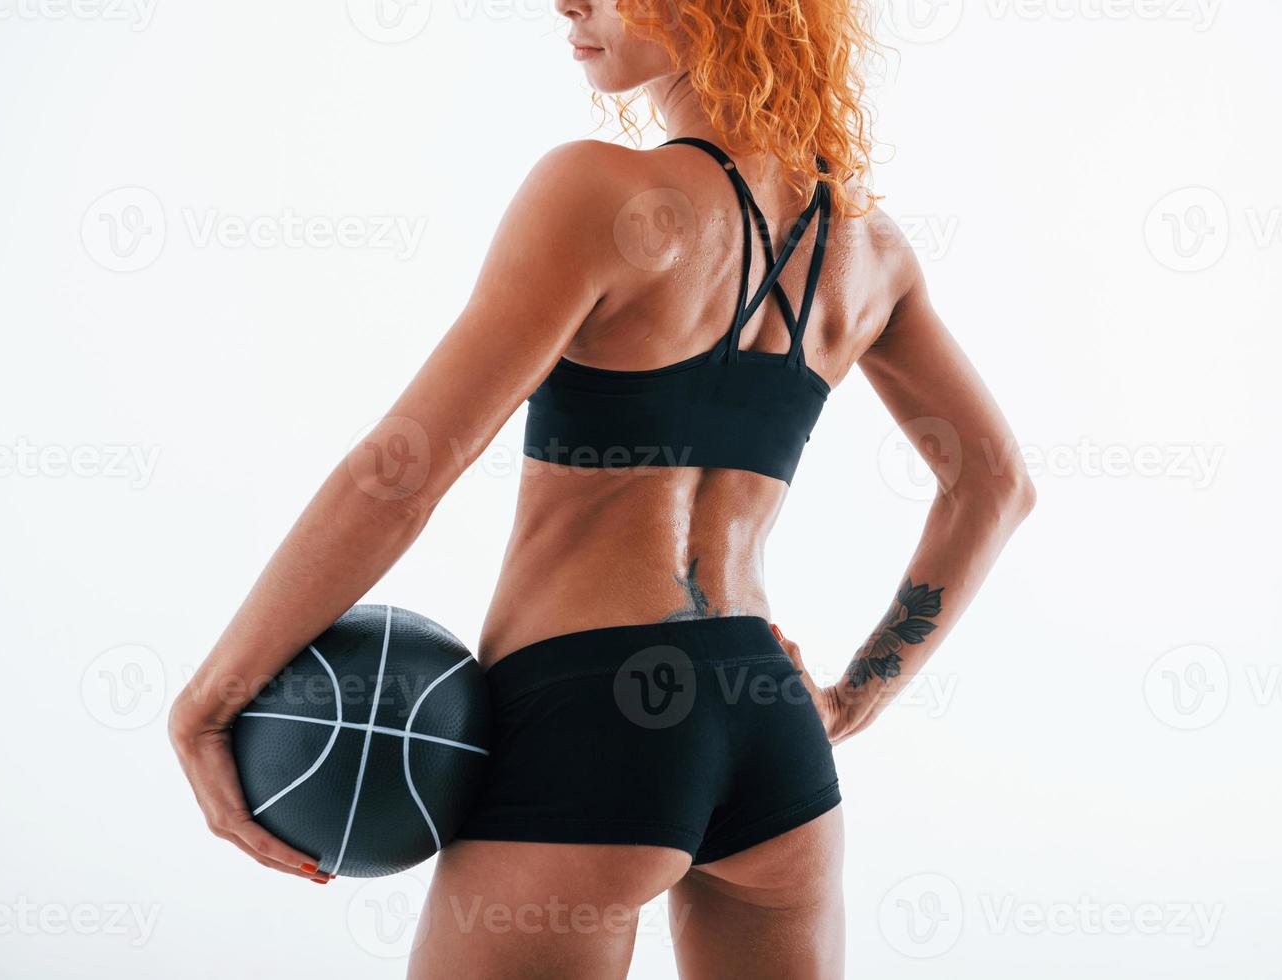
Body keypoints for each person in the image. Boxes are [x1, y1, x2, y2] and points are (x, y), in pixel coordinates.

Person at [168, 0, 1035, 974]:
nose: (567, 3)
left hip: (589, 716)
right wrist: (846, 703)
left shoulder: (597, 189)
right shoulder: (868, 251)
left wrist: (211, 698)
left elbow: (399, 475)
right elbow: (993, 485)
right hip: (772, 735)